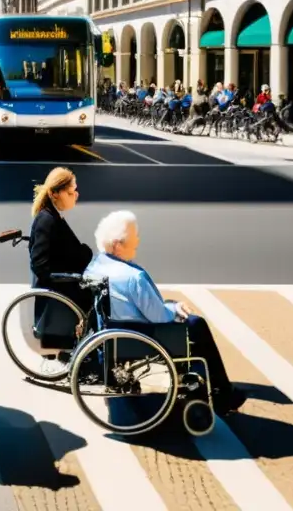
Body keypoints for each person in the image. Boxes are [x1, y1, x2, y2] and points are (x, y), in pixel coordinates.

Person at [83, 210, 247, 414]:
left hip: (114, 331)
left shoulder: (96, 266)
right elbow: (159, 317)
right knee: (197, 325)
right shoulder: (134, 276)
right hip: (140, 336)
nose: (138, 240)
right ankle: (222, 394)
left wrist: (170, 305)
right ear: (117, 244)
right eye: (134, 237)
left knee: (184, 317)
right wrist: (175, 308)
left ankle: (213, 389)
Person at [28, 167, 93, 313]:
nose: (76, 195)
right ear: (53, 193)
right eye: (70, 193)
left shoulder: (53, 216)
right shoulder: (47, 220)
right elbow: (40, 265)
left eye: (75, 191)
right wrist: (69, 277)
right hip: (62, 294)